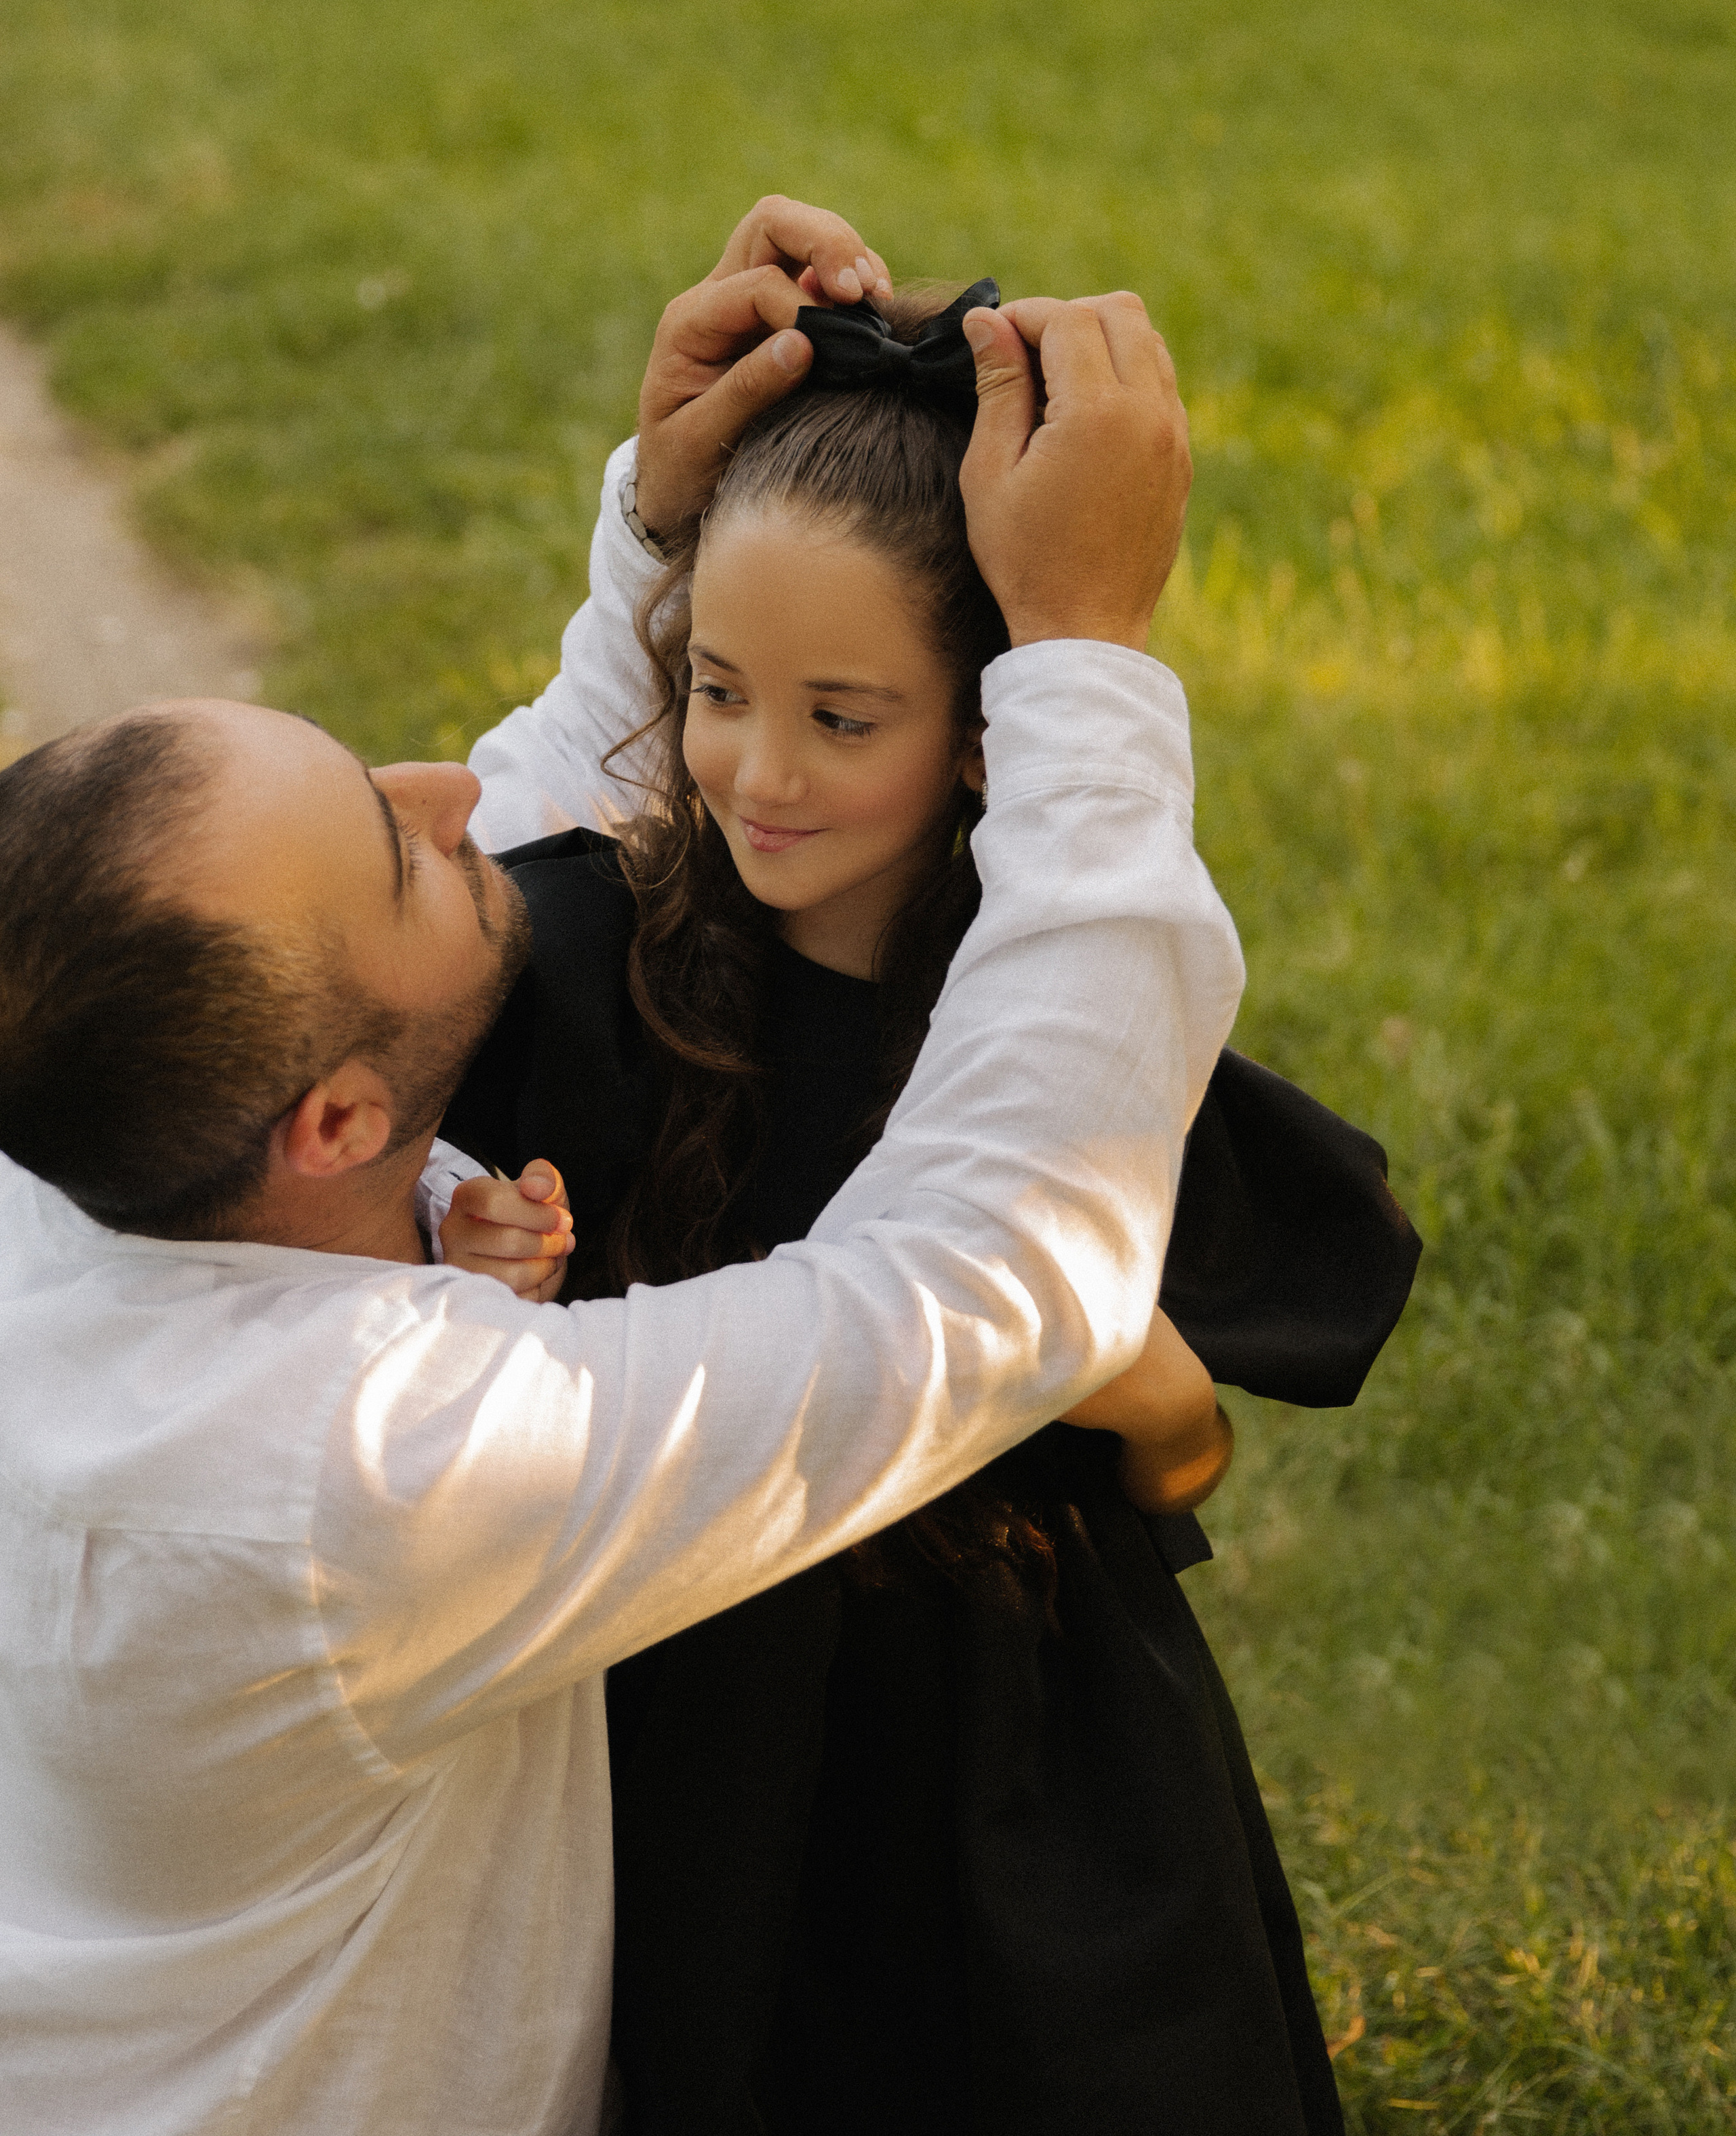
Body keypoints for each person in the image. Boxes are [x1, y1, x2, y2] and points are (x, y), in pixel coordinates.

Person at [0, 199, 1246, 2136]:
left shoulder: (70, 1171)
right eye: (393, 850)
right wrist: (1083, 660)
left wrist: (657, 550)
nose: (450, 793)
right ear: (331, 1127)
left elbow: (530, 800)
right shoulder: (363, 1479)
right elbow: (995, 1279)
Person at [439, 275, 1417, 2133]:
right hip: (679, 1731)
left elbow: (1183, 1463)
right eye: (718, 693)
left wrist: (1122, 1376)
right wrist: (482, 1263)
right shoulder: (598, 978)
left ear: (987, 736)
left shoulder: (1045, 1034)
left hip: (1012, 1748)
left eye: (843, 716)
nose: (761, 774)